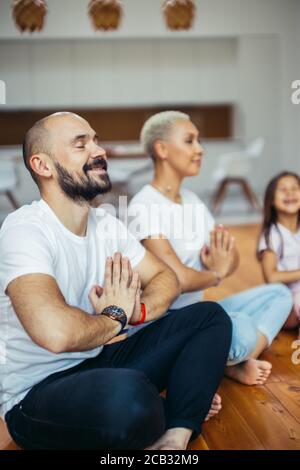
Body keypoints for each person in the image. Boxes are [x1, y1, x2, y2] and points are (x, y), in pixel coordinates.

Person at [0, 112, 232, 451]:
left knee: (209, 317)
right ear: (43, 165)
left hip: (98, 361)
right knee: (129, 397)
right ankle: (179, 404)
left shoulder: (106, 224)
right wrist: (114, 317)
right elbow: (55, 333)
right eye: (81, 144)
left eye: (95, 140)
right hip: (35, 394)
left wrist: (135, 312)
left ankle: (177, 433)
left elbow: (166, 278)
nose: (99, 150)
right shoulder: (24, 229)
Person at [128, 110, 293, 388]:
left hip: (205, 313)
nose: (200, 149)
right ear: (162, 149)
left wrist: (219, 266)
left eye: (199, 141)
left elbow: (231, 256)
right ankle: (224, 358)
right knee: (239, 330)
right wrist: (216, 273)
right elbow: (178, 280)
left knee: (278, 293)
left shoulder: (192, 200)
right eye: (190, 141)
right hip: (165, 325)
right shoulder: (144, 207)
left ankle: (227, 359)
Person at [258, 171, 300, 331]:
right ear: (271, 201)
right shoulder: (272, 235)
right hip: (286, 302)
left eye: (295, 188)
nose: (290, 193)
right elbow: (271, 277)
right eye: (283, 189)